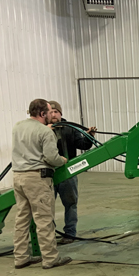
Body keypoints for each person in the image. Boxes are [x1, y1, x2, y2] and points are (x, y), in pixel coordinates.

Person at [11, 99, 71, 269]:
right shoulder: (45, 132)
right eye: (49, 111)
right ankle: (51, 258)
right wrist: (62, 161)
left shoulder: (17, 127)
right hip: (37, 178)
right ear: (43, 113)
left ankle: (21, 257)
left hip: (18, 177)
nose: (51, 114)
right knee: (43, 219)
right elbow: (52, 157)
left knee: (22, 219)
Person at [47, 101, 95, 244]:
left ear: (61, 114)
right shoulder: (42, 130)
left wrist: (89, 136)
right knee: (47, 207)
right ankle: (48, 235)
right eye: (51, 112)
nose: (54, 114)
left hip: (68, 173)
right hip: (48, 174)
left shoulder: (70, 129)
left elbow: (83, 145)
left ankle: (70, 233)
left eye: (56, 112)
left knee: (71, 204)